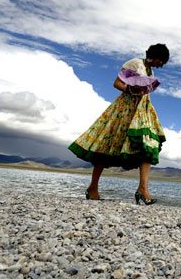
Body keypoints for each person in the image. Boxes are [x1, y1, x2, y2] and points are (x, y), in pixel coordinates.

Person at [68, 44, 169, 205]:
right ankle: (92, 188)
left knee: (149, 145)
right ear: (153, 55)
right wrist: (131, 89)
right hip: (124, 109)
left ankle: (143, 189)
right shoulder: (135, 63)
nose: (160, 64)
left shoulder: (151, 72)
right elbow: (117, 83)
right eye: (160, 60)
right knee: (106, 146)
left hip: (141, 111)